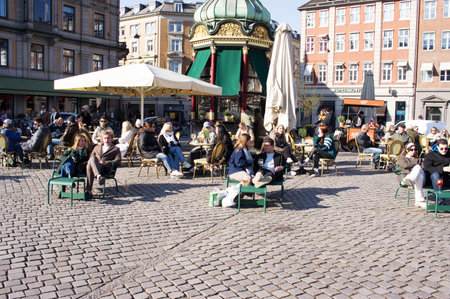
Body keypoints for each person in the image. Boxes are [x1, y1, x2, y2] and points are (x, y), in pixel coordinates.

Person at [85, 131, 121, 199]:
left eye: (108, 138)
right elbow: (91, 157)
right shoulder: (97, 147)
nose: (107, 140)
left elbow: (118, 160)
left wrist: (106, 162)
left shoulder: (115, 149)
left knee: (89, 165)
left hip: (105, 168)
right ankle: (98, 176)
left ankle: (88, 190)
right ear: (102, 139)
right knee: (91, 160)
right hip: (95, 167)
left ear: (111, 139)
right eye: (105, 138)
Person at [397, 143, 426, 208]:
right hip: (404, 179)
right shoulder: (402, 158)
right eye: (411, 150)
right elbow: (405, 165)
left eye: (415, 150)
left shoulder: (418, 159)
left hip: (412, 179)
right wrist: (416, 163)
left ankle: (411, 181)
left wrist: (413, 162)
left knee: (419, 171)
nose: (413, 151)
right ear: (407, 150)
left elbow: (423, 167)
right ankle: (419, 201)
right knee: (418, 171)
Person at [423, 139, 450, 204]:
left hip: (446, 178)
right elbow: (427, 168)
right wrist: (443, 169)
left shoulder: (449, 153)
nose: (444, 150)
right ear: (437, 147)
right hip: (432, 179)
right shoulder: (430, 155)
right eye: (441, 148)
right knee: (436, 175)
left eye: (446, 148)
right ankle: (440, 200)